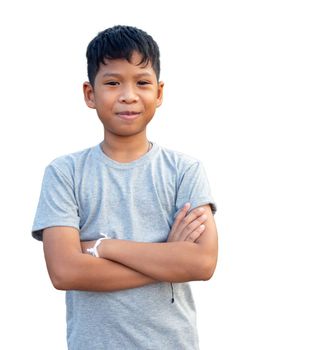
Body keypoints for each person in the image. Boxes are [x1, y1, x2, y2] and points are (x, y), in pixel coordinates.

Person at [31, 25, 218, 349]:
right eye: (113, 82)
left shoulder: (184, 171)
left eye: (142, 82)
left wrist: (101, 247)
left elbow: (201, 264)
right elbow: (64, 271)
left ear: (159, 93)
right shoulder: (65, 173)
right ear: (90, 94)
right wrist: (168, 260)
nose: (128, 95)